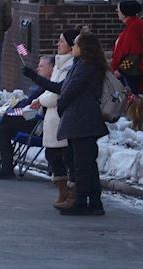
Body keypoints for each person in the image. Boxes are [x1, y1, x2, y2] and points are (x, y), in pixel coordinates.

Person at [26, 31, 109, 216]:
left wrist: (61, 105)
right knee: (86, 163)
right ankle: (94, 202)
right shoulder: (81, 64)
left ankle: (81, 201)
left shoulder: (85, 66)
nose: (73, 47)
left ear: (84, 47)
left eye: (76, 44)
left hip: (82, 120)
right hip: (80, 119)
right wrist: (36, 77)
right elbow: (61, 87)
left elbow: (68, 90)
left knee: (82, 164)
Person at [38, 30, 79, 209]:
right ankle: (62, 191)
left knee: (65, 157)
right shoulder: (58, 65)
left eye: (61, 41)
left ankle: (71, 193)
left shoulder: (70, 67)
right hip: (51, 118)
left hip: (61, 118)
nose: (58, 44)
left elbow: (57, 94)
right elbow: (50, 89)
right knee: (53, 156)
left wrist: (40, 101)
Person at [110, 0, 142, 94]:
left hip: (131, 73)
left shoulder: (134, 27)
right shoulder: (133, 25)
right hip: (130, 72)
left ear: (125, 12)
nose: (117, 11)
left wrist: (121, 71)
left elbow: (134, 54)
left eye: (118, 9)